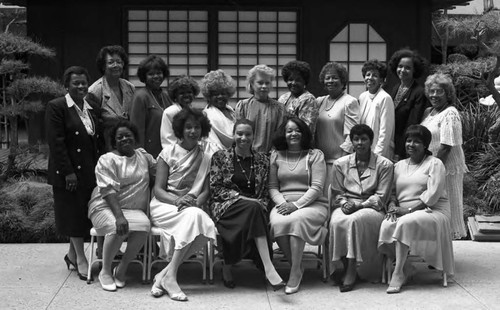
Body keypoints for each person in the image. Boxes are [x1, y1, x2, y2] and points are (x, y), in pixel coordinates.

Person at [209, 119, 285, 290]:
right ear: (233, 135)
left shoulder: (262, 160)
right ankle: (268, 266)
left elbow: (266, 192)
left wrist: (259, 203)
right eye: (239, 134)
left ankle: (227, 267)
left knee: (255, 209)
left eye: (248, 134)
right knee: (254, 208)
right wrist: (245, 200)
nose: (243, 138)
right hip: (226, 206)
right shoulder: (220, 157)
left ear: (254, 136)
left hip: (255, 208)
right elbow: (216, 188)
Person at [149, 109, 216, 301]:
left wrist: (194, 203)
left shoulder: (206, 155)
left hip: (192, 206)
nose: (193, 131)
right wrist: (178, 200)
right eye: (188, 127)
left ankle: (165, 275)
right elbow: (158, 190)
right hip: (165, 205)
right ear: (180, 129)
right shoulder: (167, 152)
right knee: (197, 219)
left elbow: (206, 191)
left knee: (205, 227)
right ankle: (169, 277)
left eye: (197, 127)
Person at [379, 125, 454, 294]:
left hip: (433, 210)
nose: (411, 144)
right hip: (403, 211)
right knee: (385, 226)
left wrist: (408, 211)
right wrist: (391, 205)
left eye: (417, 141)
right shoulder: (398, 166)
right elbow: (392, 193)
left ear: (426, 145)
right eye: (408, 140)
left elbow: (432, 196)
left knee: (404, 223)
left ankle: (397, 274)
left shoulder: (435, 164)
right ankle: (407, 267)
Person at [45, 66, 103, 281]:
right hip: (68, 172)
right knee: (74, 216)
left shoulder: (91, 106)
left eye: (83, 82)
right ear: (66, 86)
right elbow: (56, 142)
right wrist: (67, 172)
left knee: (81, 214)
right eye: (75, 83)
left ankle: (71, 254)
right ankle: (80, 258)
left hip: (89, 169)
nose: (81, 86)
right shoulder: (57, 107)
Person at [88, 121, 155, 291]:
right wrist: (119, 216)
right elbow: (108, 191)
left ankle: (122, 269)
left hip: (132, 209)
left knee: (144, 227)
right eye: (120, 137)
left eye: (128, 135)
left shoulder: (143, 156)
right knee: (116, 226)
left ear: (135, 138)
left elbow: (161, 169)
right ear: (114, 141)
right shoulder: (107, 159)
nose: (125, 139)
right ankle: (105, 271)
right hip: (106, 206)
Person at [329, 124, 394, 292]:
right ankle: (342, 265)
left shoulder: (384, 164)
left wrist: (358, 205)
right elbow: (337, 193)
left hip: (372, 207)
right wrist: (344, 203)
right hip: (346, 204)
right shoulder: (340, 164)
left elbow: (381, 197)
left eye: (364, 139)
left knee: (353, 220)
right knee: (336, 221)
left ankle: (352, 270)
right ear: (351, 142)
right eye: (356, 139)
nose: (360, 143)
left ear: (371, 141)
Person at [268, 117, 329, 295]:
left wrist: (296, 205)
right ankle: (298, 265)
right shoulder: (276, 155)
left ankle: (294, 272)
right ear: (283, 134)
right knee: (277, 223)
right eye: (289, 130)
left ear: (304, 133)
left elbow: (317, 188)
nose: (293, 133)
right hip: (284, 203)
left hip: (313, 204)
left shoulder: (315, 155)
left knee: (296, 220)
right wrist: (283, 203)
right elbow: (273, 187)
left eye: (297, 130)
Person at [421, 73, 468, 239]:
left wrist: (434, 170)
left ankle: (445, 253)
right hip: (433, 165)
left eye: (439, 91)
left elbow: (446, 147)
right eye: (432, 91)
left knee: (448, 207)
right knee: (434, 209)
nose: (434, 95)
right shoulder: (430, 112)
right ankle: (436, 251)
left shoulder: (450, 113)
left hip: (446, 168)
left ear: (448, 93)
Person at [315, 62, 359, 194]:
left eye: (335, 77)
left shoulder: (349, 101)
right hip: (319, 162)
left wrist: (342, 162)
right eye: (327, 78)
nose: (330, 81)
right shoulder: (319, 101)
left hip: (338, 162)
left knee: (334, 199)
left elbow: (352, 136)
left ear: (342, 80)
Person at [89, 45, 135, 151]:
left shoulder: (130, 87)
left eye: (119, 62)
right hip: (106, 143)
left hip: (128, 141)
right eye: (110, 62)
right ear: (103, 66)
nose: (116, 65)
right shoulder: (95, 91)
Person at [388, 49, 430, 161]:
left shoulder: (419, 92)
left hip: (405, 146)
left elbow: (412, 124)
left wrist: (400, 152)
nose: (402, 70)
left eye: (408, 67)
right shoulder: (395, 88)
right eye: (400, 66)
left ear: (414, 70)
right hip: (391, 140)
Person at [235, 65, 285, 153]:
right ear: (252, 84)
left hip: (271, 156)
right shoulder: (243, 106)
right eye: (260, 82)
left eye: (267, 83)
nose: (264, 86)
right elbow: (239, 134)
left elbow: (280, 135)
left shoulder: (279, 108)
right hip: (247, 155)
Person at [129, 55, 173, 158]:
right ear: (144, 77)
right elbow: (136, 130)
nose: (156, 76)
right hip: (148, 153)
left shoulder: (165, 95)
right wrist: (140, 156)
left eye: (159, 73)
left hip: (166, 151)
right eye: (151, 74)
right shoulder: (141, 96)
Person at [358, 59, 395, 159]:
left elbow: (385, 132)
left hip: (380, 153)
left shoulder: (385, 98)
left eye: (375, 75)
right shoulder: (362, 97)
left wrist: (377, 156)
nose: (370, 78)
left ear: (381, 80)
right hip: (363, 150)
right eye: (368, 74)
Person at [278, 60, 319, 136]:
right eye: (290, 79)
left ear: (304, 81)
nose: (293, 83)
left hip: (300, 143)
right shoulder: (283, 98)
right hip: (283, 142)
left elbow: (307, 129)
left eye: (298, 80)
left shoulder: (309, 99)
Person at [160, 75, 200, 148]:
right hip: (175, 155)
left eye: (189, 92)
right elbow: (168, 140)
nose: (186, 95)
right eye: (182, 93)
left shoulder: (195, 112)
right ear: (175, 96)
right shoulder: (170, 112)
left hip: (193, 151)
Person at [201, 69, 236, 151]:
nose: (220, 96)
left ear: (228, 94)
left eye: (223, 93)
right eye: (215, 94)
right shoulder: (206, 115)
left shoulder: (232, 112)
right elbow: (211, 145)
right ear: (209, 95)